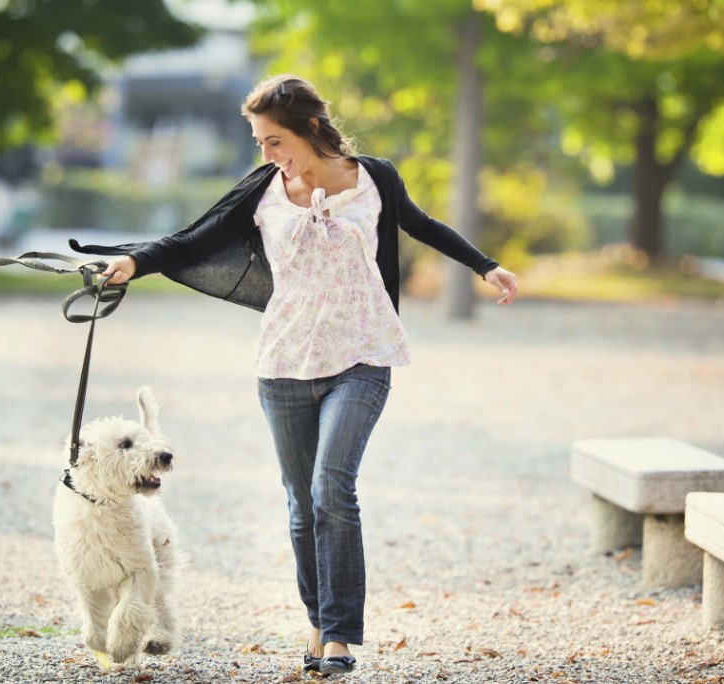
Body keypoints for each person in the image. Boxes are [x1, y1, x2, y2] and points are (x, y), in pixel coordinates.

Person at [81, 74, 517, 676]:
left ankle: (338, 638)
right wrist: (133, 262)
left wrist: (486, 266)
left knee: (330, 487)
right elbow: (193, 240)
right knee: (300, 503)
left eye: (274, 140)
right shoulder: (264, 190)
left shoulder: (375, 178)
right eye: (258, 141)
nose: (265, 153)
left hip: (363, 357)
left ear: (311, 129)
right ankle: (316, 623)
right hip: (284, 365)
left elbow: (423, 225)